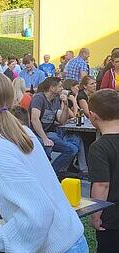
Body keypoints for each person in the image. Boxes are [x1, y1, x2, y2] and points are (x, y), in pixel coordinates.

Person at [0, 72, 86, 253]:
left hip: (58, 247)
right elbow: (15, 186)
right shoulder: (20, 131)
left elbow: (37, 212)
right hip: (69, 238)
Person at [87, 89, 119, 253]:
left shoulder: (99, 147)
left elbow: (101, 184)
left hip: (112, 217)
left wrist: (95, 214)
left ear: (93, 116)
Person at [30, 77, 78, 174]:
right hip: (34, 134)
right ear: (52, 88)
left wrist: (65, 105)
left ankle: (52, 173)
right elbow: (34, 120)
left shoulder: (56, 99)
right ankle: (43, 174)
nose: (62, 89)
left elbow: (62, 121)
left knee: (72, 149)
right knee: (47, 144)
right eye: (60, 86)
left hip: (49, 133)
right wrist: (44, 138)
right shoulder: (39, 98)